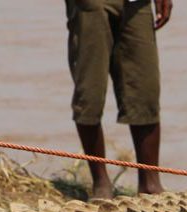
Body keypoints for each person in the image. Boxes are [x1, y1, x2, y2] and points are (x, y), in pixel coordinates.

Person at [65, 0, 173, 199]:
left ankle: (150, 184)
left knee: (145, 91)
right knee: (90, 93)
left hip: (136, 5)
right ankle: (101, 183)